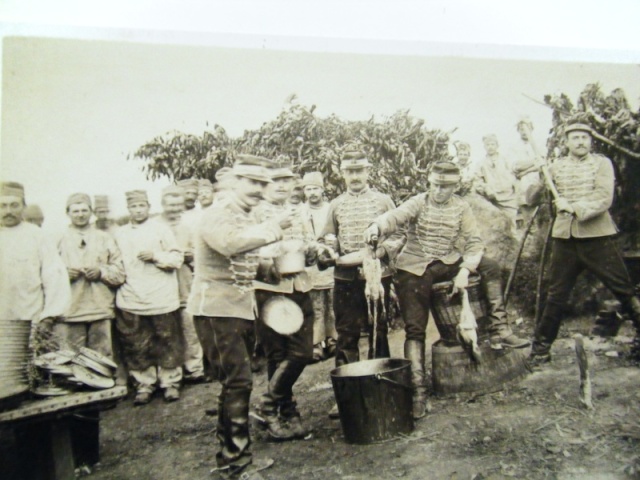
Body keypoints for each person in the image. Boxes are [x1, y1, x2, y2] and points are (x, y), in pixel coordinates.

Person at [365, 162, 529, 419]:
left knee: (491, 267)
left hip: (449, 261)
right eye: (436, 185)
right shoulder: (419, 201)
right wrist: (377, 226)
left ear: (455, 186)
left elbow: (474, 242)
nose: (440, 191)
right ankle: (418, 389)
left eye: (446, 186)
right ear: (430, 183)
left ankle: (500, 326)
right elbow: (395, 217)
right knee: (415, 328)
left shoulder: (461, 207)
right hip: (416, 266)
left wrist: (465, 270)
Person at [187, 155, 294, 477]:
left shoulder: (244, 215)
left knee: (235, 384)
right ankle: (237, 465)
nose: (259, 190)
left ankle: (232, 459)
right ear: (234, 182)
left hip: (237, 309)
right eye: (252, 182)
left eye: (264, 183)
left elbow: (247, 265)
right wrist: (274, 229)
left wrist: (281, 265)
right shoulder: (216, 213)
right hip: (216, 311)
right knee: (238, 383)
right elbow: (229, 244)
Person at [527, 122, 640, 366]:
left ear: (591, 141)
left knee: (623, 289)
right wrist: (540, 176)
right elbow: (530, 199)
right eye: (575, 138)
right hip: (565, 240)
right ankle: (540, 351)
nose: (580, 142)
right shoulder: (555, 167)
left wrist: (575, 207)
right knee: (555, 295)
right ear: (566, 142)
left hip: (597, 237)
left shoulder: (602, 164)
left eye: (585, 138)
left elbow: (603, 198)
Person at [319, 150, 402, 418]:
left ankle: (380, 386)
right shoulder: (335, 205)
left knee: (377, 329)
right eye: (349, 172)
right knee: (346, 334)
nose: (355, 176)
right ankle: (347, 392)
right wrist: (329, 249)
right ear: (342, 174)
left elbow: (400, 234)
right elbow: (328, 237)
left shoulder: (382, 201)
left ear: (368, 171)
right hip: (345, 277)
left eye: (359, 171)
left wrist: (380, 253)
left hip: (377, 273)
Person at [253, 162, 318, 441]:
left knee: (302, 352)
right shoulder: (254, 212)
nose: (281, 186)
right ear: (264, 185)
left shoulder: (299, 212)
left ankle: (266, 405)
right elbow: (248, 251)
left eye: (287, 181)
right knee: (277, 355)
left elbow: (307, 245)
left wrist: (313, 251)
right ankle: (286, 412)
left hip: (299, 285)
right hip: (269, 288)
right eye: (275, 181)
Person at [113, 190, 185, 405]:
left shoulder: (161, 229)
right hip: (131, 296)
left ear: (148, 206)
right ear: (128, 210)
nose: (138, 210)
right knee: (137, 343)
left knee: (167, 340)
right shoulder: (120, 233)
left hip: (161, 295)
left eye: (141, 206)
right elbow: (116, 262)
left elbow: (176, 258)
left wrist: (155, 256)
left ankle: (170, 383)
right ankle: (144, 384)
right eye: (133, 207)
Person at [55, 193, 125, 357]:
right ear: (68, 213)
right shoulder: (57, 239)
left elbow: (120, 272)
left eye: (84, 210)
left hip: (99, 308)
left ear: (91, 212)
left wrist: (101, 272)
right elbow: (46, 273)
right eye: (76, 211)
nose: (80, 214)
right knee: (70, 357)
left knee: (101, 358)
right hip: (69, 309)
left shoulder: (104, 238)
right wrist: (63, 274)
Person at [0, 181, 70, 334]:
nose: (8, 211)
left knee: (25, 358)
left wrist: (48, 317)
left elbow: (54, 277)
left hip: (28, 320)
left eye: (14, 205)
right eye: (3, 206)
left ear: (24, 207)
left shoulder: (38, 236)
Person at [154, 186, 206, 383]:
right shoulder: (155, 225)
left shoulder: (188, 226)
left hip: (185, 279)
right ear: (163, 205)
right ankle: (171, 373)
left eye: (177, 204)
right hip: (161, 282)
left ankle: (194, 368)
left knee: (189, 326)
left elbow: (199, 250)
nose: (174, 208)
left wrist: (190, 255)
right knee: (166, 331)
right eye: (170, 204)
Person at [299, 171, 337, 362]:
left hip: (330, 261)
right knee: (316, 305)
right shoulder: (300, 211)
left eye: (315, 188)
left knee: (332, 303)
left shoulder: (331, 208)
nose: (312, 193)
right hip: (311, 263)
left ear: (322, 189)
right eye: (308, 189)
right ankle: (316, 344)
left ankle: (333, 339)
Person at [475, 134, 518, 227]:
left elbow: (514, 173)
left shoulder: (505, 160)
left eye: (492, 144)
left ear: (497, 146)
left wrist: (512, 186)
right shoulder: (481, 164)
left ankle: (513, 240)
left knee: (511, 224)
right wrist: (486, 189)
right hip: (493, 199)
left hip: (509, 197)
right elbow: (477, 181)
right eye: (488, 145)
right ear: (484, 147)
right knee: (496, 225)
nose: (490, 147)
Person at [511, 118, 546, 229]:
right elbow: (516, 166)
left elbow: (543, 165)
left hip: (538, 184)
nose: (524, 131)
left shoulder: (539, 145)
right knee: (529, 222)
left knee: (541, 220)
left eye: (527, 128)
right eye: (521, 129)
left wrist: (526, 170)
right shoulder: (515, 147)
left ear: (532, 129)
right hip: (524, 185)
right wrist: (535, 161)